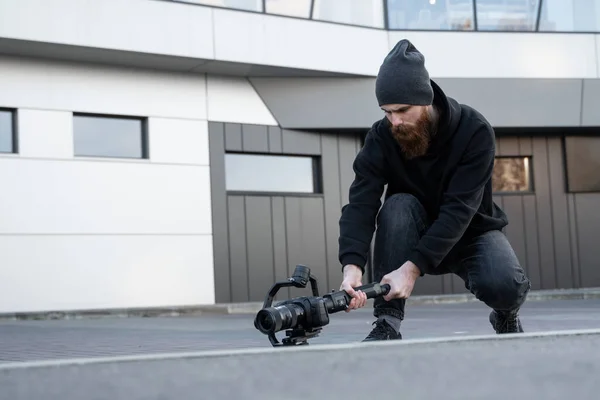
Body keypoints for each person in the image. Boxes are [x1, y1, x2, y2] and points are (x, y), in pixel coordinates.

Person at [338, 39, 531, 341]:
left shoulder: (474, 130)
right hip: (411, 228)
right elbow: (361, 202)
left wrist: (411, 270)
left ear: (426, 100)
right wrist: (352, 267)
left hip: (470, 231)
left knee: (507, 287)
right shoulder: (381, 137)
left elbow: (459, 210)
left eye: (402, 110)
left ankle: (505, 314)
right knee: (398, 205)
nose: (395, 121)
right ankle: (387, 323)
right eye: (387, 112)